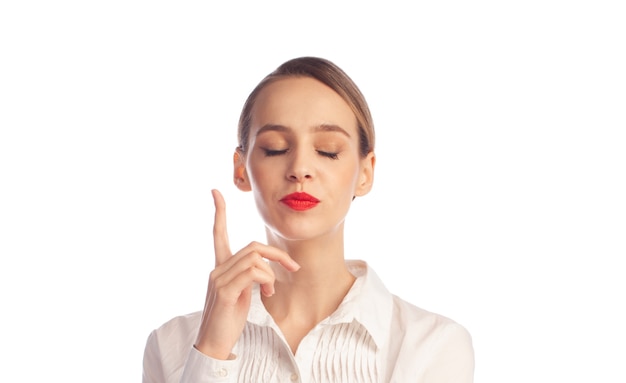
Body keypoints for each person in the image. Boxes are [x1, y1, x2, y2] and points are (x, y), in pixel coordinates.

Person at [142, 56, 474, 382]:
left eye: (328, 150)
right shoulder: (171, 345)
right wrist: (211, 354)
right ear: (241, 170)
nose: (300, 168)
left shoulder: (433, 347)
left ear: (366, 173)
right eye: (275, 148)